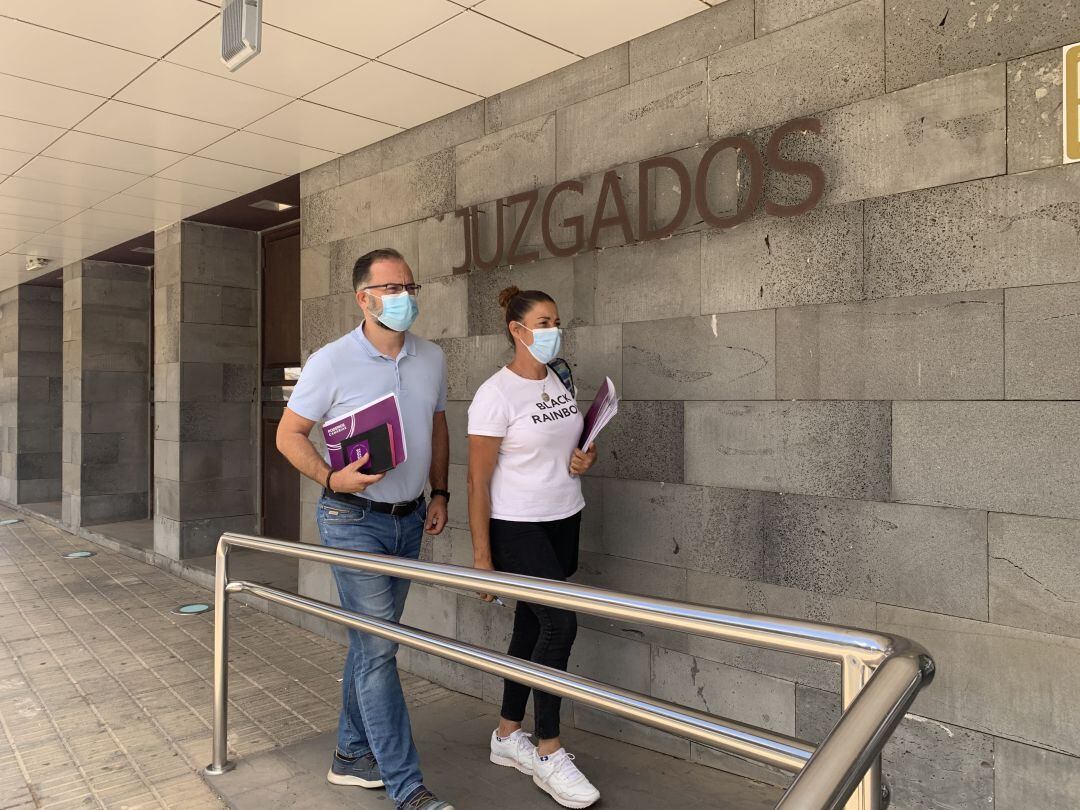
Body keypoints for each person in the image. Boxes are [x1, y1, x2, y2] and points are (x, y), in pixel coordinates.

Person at [276, 248, 454, 810]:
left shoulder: (432, 357)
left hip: (409, 520)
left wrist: (441, 491)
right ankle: (408, 788)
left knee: (370, 644)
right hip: (352, 518)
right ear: (365, 298)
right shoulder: (330, 361)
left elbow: (438, 425)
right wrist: (332, 478)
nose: (406, 297)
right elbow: (289, 435)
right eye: (393, 288)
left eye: (410, 285)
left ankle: (351, 755)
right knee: (380, 650)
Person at [467, 286, 600, 809]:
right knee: (560, 624)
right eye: (542, 322)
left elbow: (566, 448)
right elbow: (478, 482)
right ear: (516, 330)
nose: (553, 331)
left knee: (533, 624)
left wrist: (582, 460)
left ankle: (505, 736)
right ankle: (548, 749)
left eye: (557, 321)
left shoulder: (558, 381)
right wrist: (482, 560)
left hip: (563, 516)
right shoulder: (494, 395)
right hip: (517, 526)